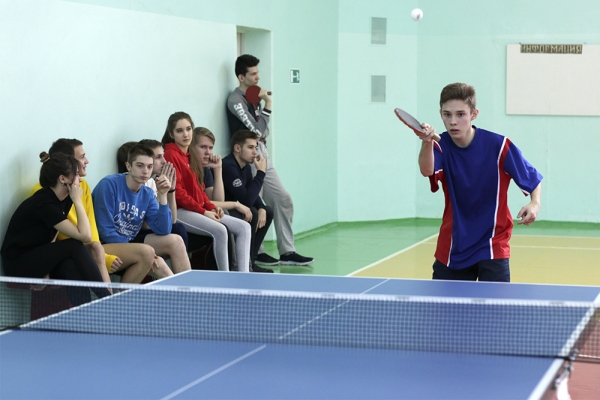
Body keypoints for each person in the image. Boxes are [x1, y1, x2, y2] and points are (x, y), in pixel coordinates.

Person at [417, 82, 543, 282]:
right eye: (447, 114)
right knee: (443, 303)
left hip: (492, 244)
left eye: (460, 114)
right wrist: (426, 142)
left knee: (494, 303)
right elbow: (427, 170)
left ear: (474, 114)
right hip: (453, 246)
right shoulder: (439, 146)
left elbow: (532, 177)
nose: (453, 121)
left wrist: (535, 203)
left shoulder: (498, 146)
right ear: (440, 114)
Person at [226, 54, 313, 266]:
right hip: (248, 154)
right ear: (241, 77)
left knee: (283, 199)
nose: (258, 77)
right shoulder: (235, 101)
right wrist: (269, 103)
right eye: (253, 74)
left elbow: (263, 131)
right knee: (256, 203)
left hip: (262, 151)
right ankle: (256, 252)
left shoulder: (255, 97)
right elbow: (257, 130)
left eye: (258, 73)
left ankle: (288, 252)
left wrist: (262, 104)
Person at [1, 152, 110, 302]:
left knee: (70, 266)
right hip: (18, 263)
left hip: (37, 257)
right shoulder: (45, 203)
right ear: (63, 179)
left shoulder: (64, 198)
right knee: (74, 245)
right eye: (76, 174)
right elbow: (85, 236)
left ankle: (85, 313)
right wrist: (78, 201)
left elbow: (52, 235)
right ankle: (108, 300)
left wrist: (46, 267)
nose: (80, 178)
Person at [161, 112, 252, 272]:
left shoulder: (190, 155)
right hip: (178, 210)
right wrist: (204, 212)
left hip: (194, 209)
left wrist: (211, 207)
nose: (185, 134)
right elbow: (179, 193)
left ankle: (243, 275)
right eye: (179, 131)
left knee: (244, 227)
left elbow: (200, 190)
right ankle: (225, 277)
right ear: (171, 134)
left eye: (188, 129)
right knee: (220, 230)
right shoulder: (170, 154)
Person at [117, 140, 216, 270]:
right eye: (158, 157)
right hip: (130, 237)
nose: (164, 161)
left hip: (150, 232)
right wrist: (161, 195)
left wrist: (171, 191)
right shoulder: (135, 185)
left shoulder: (152, 183)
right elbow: (147, 226)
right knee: (177, 231)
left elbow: (172, 220)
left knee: (177, 228)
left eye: (163, 156)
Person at [30, 139, 115, 285]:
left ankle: (110, 297)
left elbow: (91, 229)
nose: (87, 161)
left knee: (95, 248)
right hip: (64, 248)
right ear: (68, 162)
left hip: (79, 244)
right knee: (75, 256)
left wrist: (100, 253)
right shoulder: (45, 195)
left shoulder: (80, 186)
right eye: (82, 157)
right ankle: (107, 297)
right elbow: (50, 236)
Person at [92, 144, 179, 281]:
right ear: (128, 166)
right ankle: (124, 295)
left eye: (149, 167)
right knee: (147, 253)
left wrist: (163, 196)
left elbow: (163, 229)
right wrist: (137, 251)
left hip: (128, 243)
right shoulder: (109, 185)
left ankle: (189, 291)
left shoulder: (148, 193)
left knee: (170, 250)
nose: (145, 171)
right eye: (140, 166)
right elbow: (106, 231)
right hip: (102, 246)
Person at [221, 130, 275, 272]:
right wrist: (261, 173)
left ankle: (252, 260)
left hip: (237, 207)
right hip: (224, 210)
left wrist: (262, 207)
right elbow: (246, 199)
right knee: (252, 213)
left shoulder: (245, 167)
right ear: (237, 148)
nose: (255, 152)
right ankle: (246, 265)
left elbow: (252, 193)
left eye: (255, 147)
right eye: (250, 147)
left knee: (267, 211)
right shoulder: (229, 166)